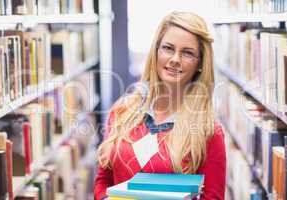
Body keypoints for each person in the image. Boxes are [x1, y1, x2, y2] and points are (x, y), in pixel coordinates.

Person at [94, 11, 226, 200]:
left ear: (200, 64)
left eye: (187, 53)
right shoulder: (122, 111)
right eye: (168, 48)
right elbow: (103, 180)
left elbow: (213, 197)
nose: (175, 59)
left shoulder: (209, 131)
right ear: (156, 51)